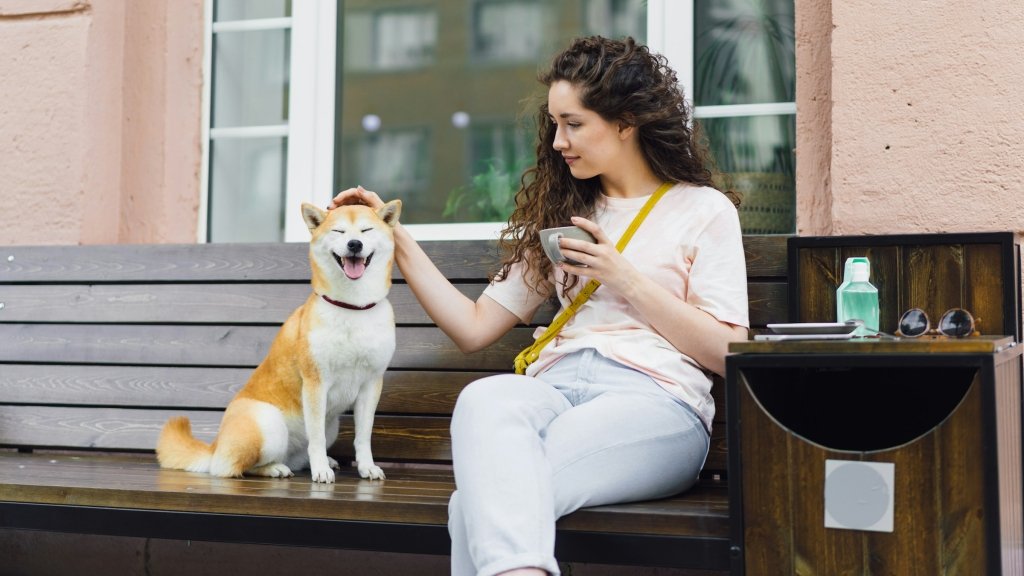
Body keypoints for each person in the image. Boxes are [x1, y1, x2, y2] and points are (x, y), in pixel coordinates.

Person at [331, 35, 749, 576]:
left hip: (653, 403)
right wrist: (395, 237)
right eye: (555, 124)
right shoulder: (568, 211)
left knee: (477, 506)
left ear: (626, 121)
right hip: (552, 391)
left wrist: (623, 276)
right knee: (484, 399)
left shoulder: (702, 210)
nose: (558, 142)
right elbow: (474, 327)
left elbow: (730, 352)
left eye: (573, 124)